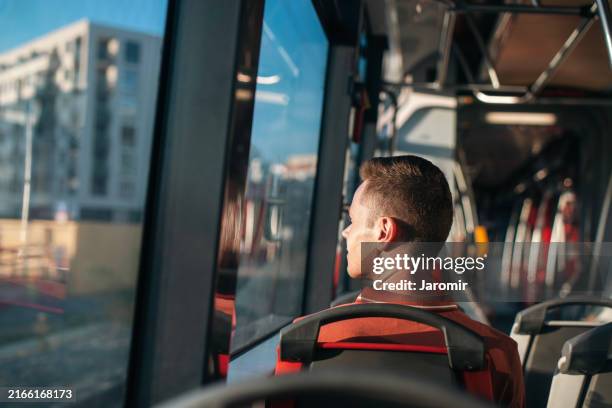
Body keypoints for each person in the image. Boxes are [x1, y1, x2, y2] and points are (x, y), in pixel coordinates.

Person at [321, 155, 524, 407]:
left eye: (352, 221)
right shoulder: (497, 353)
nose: (346, 232)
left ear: (384, 232)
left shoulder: (317, 339)